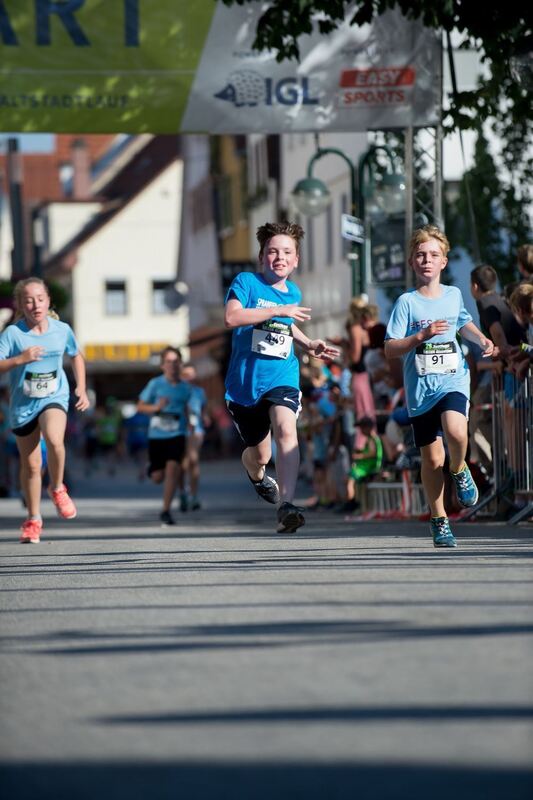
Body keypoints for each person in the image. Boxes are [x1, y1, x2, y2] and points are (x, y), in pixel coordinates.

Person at [224, 221, 340, 533]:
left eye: (287, 252)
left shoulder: (293, 291)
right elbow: (232, 317)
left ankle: (287, 505)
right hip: (244, 386)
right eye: (273, 251)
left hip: (282, 375)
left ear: (296, 259)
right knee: (260, 455)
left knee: (286, 429)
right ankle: (257, 475)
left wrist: (307, 343)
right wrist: (278, 311)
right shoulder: (246, 282)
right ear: (262, 256)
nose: (280, 257)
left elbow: (286, 326)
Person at [384, 225, 494, 548]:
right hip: (420, 390)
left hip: (453, 379)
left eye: (433, 255)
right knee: (431, 460)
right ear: (411, 262)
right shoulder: (406, 303)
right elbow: (390, 347)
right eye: (420, 255)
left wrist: (480, 338)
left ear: (444, 262)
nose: (426, 260)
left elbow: (463, 322)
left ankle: (459, 469)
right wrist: (420, 336)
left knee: (457, 431)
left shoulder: (453, 294)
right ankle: (439, 519)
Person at [0, 278, 89, 544]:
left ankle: (58, 487)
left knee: (54, 440)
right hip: (23, 404)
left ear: (48, 301)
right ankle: (33, 519)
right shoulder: (13, 334)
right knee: (31, 465)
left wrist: (81, 388)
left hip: (54, 396)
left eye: (40, 298)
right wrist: (20, 359)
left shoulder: (61, 330)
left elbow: (76, 355)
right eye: (28, 300)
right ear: (20, 305)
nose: (35, 304)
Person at [137, 346, 191, 526]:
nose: (172, 365)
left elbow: (191, 408)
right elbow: (141, 406)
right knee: (157, 477)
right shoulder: (155, 384)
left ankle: (165, 510)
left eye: (176, 361)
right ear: (162, 365)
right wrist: (156, 408)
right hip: (157, 435)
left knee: (172, 468)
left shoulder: (186, 388)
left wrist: (193, 419)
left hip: (178, 434)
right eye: (168, 362)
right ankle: (151, 468)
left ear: (180, 364)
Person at [181, 362, 209, 510]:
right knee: (184, 461)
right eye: (186, 375)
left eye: (192, 374)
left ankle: (193, 495)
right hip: (179, 429)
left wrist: (205, 416)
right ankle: (183, 491)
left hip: (196, 429)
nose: (189, 378)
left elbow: (203, 407)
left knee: (193, 459)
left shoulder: (199, 391)